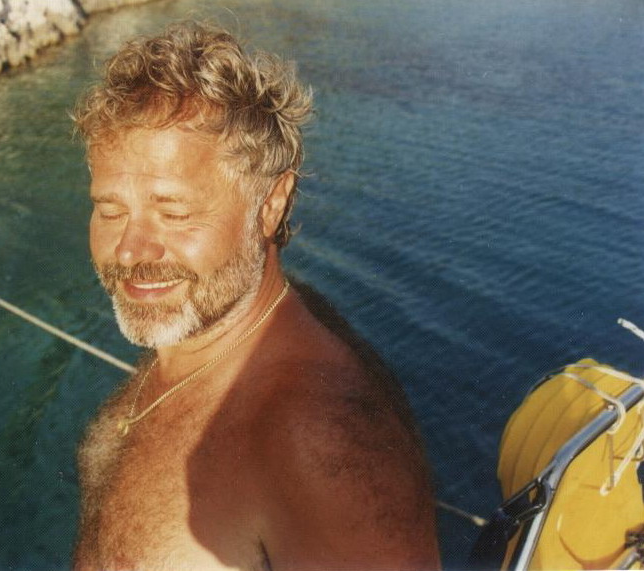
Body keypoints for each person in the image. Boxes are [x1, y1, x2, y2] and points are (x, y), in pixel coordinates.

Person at [71, 20, 440, 570]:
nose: (129, 250)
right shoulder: (194, 340)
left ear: (271, 205)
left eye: (174, 213)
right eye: (109, 210)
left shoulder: (318, 437)